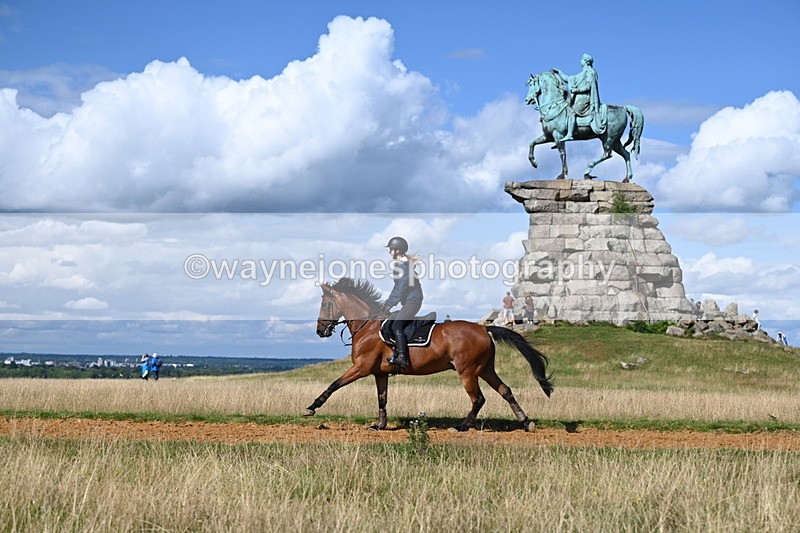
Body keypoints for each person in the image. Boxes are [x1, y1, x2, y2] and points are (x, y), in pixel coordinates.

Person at [382, 236, 423, 369]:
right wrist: (387, 303)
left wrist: (388, 304)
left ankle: (402, 358)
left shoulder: (404, 267)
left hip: (413, 302)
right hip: (409, 302)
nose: (389, 252)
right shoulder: (402, 265)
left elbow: (400, 288)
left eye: (391, 250)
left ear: (397, 250)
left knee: (396, 326)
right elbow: (397, 288)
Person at [551, 53, 602, 141]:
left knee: (570, 111)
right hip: (579, 98)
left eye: (581, 59)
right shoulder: (581, 74)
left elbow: (589, 86)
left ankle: (570, 134)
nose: (580, 61)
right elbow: (568, 79)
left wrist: (576, 90)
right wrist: (559, 72)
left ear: (586, 62)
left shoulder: (590, 73)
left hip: (584, 99)